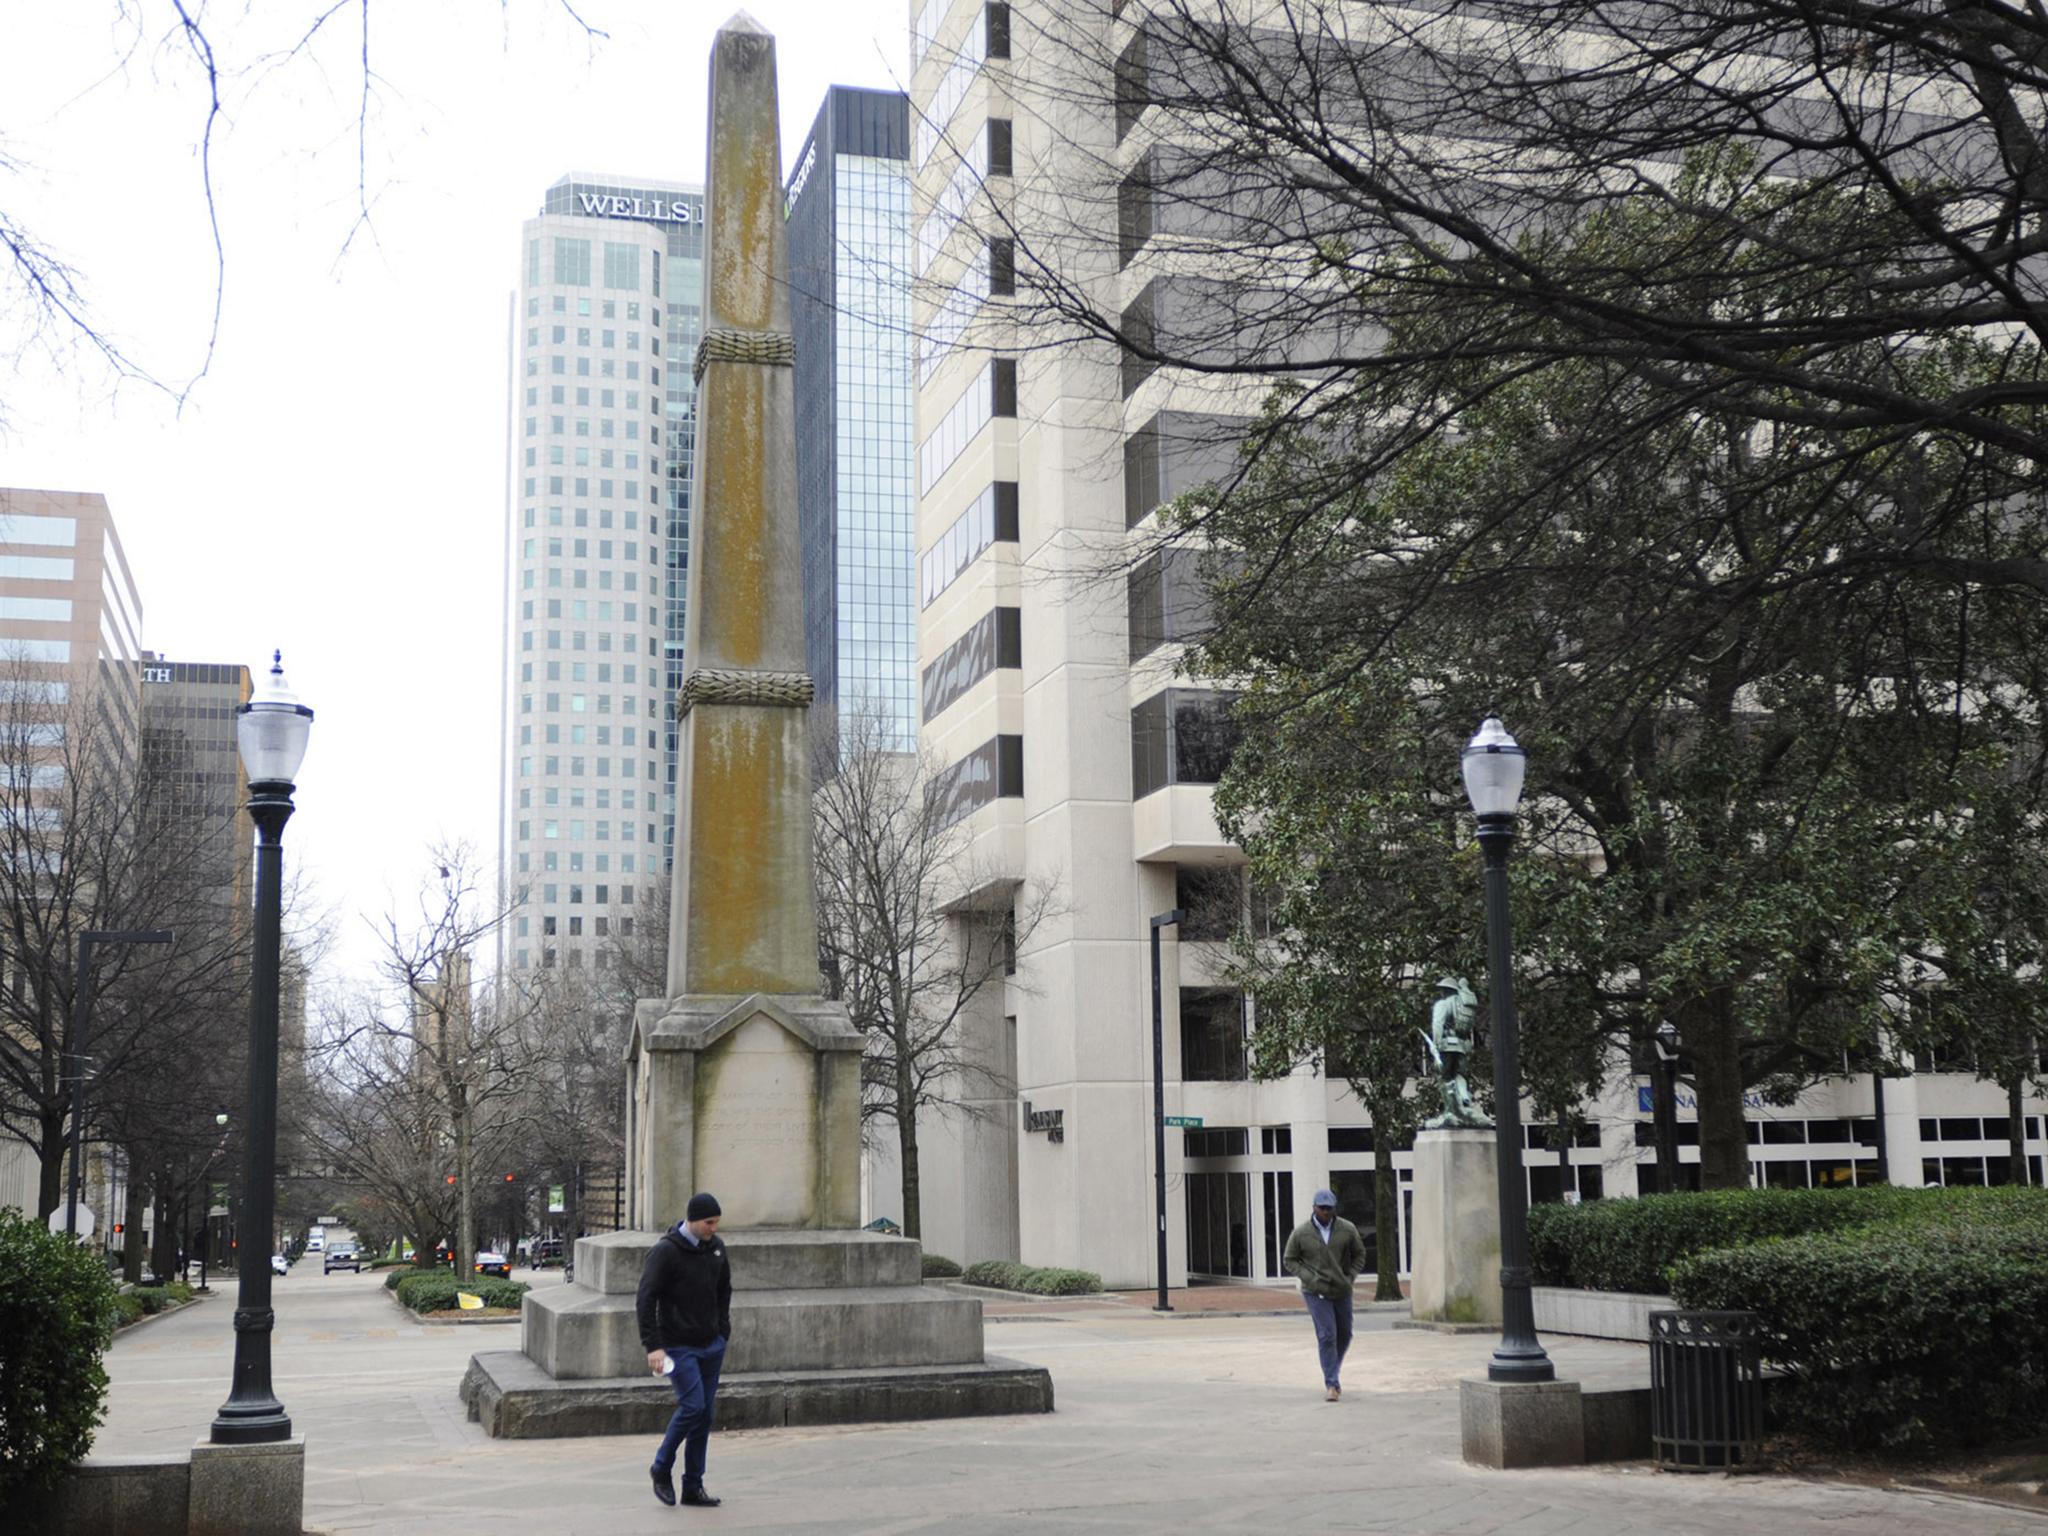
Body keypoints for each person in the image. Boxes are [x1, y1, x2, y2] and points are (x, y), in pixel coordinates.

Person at [637, 1191, 733, 1507]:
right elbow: (646, 1298)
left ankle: (693, 1485)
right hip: (678, 1346)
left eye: (716, 1222)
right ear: (692, 1220)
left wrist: (722, 1331)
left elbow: (724, 1291)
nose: (713, 1229)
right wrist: (654, 1346)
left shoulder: (716, 1249)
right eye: (709, 1222)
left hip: (711, 1344)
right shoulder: (666, 1252)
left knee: (705, 1416)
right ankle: (661, 1467)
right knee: (693, 1407)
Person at [1282, 1188, 1367, 1401]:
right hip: (1315, 1291)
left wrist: (1350, 1277)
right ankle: (1332, 1383)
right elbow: (1290, 1259)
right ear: (1314, 1208)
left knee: (1345, 1334)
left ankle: (1333, 1368)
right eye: (1322, 1209)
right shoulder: (1301, 1233)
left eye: (1329, 1209)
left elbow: (1360, 1254)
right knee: (1327, 1334)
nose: (1326, 1213)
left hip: (1342, 1289)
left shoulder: (1347, 1229)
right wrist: (1308, 1278)